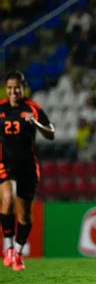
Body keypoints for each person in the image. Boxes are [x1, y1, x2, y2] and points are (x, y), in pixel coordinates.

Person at [0, 71, 55, 271]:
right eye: (10, 88)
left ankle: (18, 252)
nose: (14, 91)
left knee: (24, 217)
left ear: (23, 87)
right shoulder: (1, 108)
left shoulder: (32, 108)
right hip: (4, 164)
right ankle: (7, 247)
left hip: (27, 168)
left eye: (17, 87)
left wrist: (37, 124)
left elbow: (51, 134)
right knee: (8, 198)